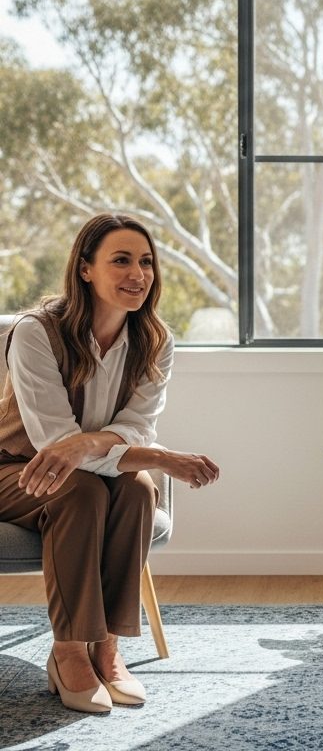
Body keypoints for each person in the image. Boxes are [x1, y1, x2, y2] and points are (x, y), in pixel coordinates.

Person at [0, 213, 220, 713]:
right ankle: (70, 651)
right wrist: (160, 457)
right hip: (11, 467)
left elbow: (136, 426)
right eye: (120, 260)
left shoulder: (155, 341)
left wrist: (92, 446)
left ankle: (109, 648)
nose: (138, 274)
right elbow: (54, 441)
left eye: (145, 262)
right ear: (84, 269)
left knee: (139, 488)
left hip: (75, 468)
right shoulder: (35, 333)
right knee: (82, 489)